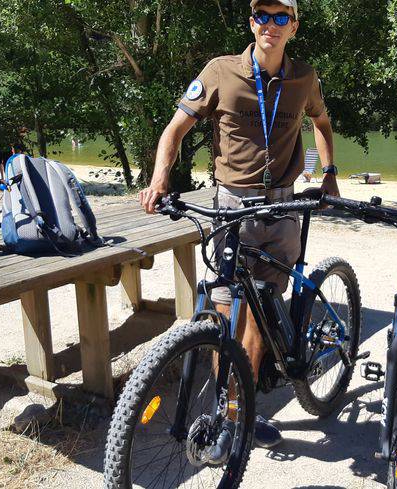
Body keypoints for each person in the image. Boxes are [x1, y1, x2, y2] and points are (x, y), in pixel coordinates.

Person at [138, 0, 338, 460]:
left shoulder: (304, 77)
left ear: (294, 26)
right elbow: (175, 129)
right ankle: (234, 412)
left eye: (281, 17)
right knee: (227, 313)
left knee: (260, 312)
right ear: (252, 23)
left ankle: (241, 408)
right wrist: (159, 180)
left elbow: (321, 122)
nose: (271, 24)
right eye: (262, 16)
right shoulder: (221, 71)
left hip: (283, 206)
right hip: (232, 207)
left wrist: (328, 172)